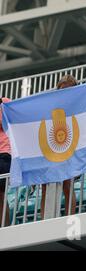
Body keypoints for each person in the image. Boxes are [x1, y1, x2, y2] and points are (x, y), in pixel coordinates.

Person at [40, 75, 78, 218]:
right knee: (45, 185)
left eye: (68, 89)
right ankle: (44, 221)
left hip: (69, 150)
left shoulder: (80, 107)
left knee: (67, 184)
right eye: (62, 90)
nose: (65, 92)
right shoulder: (52, 108)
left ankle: (70, 218)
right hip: (52, 149)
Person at [0, 97, 11, 227]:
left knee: (1, 192)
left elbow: (7, 121)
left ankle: (5, 226)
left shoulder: (5, 102)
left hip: (4, 152)